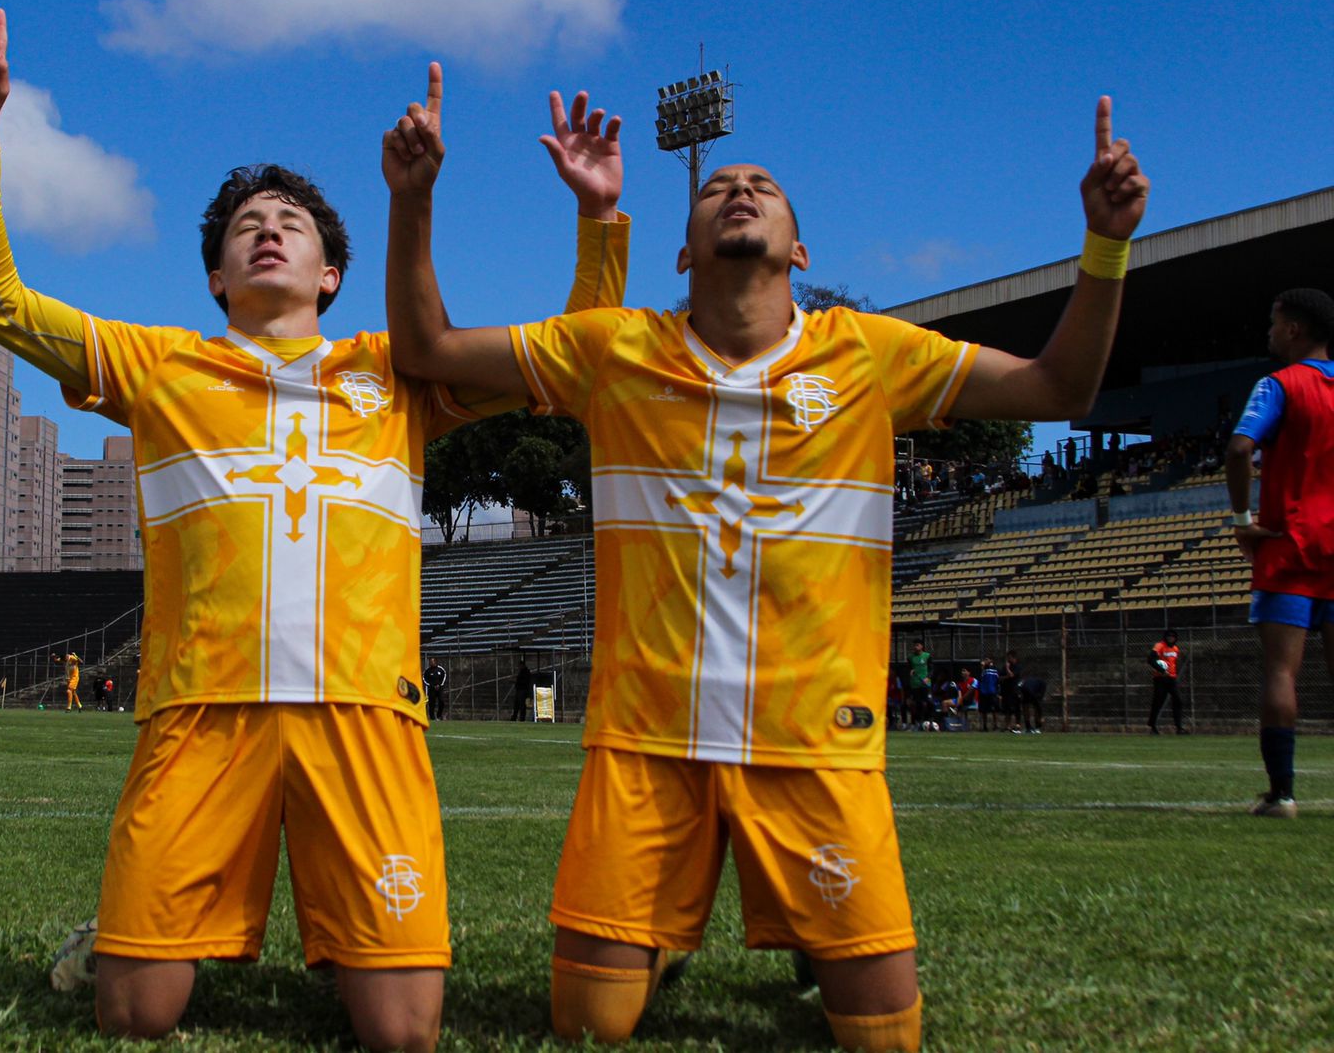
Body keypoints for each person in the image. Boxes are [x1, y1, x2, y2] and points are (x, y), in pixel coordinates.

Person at [385, 82, 1146, 1051]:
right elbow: (425, 348)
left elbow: (1059, 387)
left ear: (800, 250)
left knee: (884, 1039)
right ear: (679, 251)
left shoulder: (869, 355)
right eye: (717, 189)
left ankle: (801, 929)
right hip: (646, 748)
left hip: (815, 747)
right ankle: (673, 930)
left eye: (764, 186)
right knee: (587, 1026)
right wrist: (414, 200)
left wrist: (1106, 244)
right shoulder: (614, 350)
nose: (738, 189)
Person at [0, 12, 629, 1048]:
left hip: (364, 713)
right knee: (134, 1014)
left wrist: (599, 222)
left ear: (330, 276)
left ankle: (345, 942)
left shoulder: (398, 369)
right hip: (200, 711)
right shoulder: (157, 365)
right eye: (245, 225)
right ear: (217, 276)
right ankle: (134, 937)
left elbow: (577, 359)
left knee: (402, 1034)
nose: (268, 228)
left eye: (292, 223)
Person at [1226, 288, 1334, 819]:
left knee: (1282, 672)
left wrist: (1244, 522)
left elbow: (1240, 447)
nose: (1268, 333)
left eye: (1273, 323)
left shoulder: (1277, 385)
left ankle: (1283, 794)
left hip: (1290, 543)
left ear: (1293, 329)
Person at [1146, 629, 1184, 735]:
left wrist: (1173, 674)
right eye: (1168, 636)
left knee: (1178, 700)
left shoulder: (1176, 649)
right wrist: (1162, 670)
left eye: (1173, 637)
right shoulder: (1159, 646)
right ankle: (1152, 726)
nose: (1170, 638)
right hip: (1160, 679)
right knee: (1158, 702)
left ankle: (1179, 727)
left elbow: (1174, 663)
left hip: (1171, 679)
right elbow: (1150, 659)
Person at [906, 641, 932, 724]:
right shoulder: (910, 657)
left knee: (928, 702)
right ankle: (918, 721)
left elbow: (932, 669)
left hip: (925, 683)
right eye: (914, 645)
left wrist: (928, 677)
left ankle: (929, 720)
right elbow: (909, 668)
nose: (915, 647)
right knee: (917, 703)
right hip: (915, 683)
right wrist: (910, 671)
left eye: (917, 645)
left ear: (922, 646)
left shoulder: (927, 656)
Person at [1001, 650, 1024, 734]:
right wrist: (1007, 675)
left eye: (1010, 658)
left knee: (1016, 708)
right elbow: (1001, 677)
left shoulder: (1017, 666)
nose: (1008, 660)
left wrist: (1007, 669)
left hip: (1015, 690)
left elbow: (1011, 675)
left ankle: (1017, 725)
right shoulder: (1005, 667)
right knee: (1007, 709)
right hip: (1006, 690)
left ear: (1014, 658)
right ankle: (1008, 726)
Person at [976, 657, 1000, 732]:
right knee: (983, 710)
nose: (985, 661)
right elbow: (980, 679)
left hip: (992, 692)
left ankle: (995, 725)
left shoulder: (993, 670)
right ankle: (984, 726)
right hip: (984, 692)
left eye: (987, 660)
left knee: (994, 709)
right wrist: (982, 668)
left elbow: (996, 680)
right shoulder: (983, 670)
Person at [423, 657, 448, 721]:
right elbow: (424, 679)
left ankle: (439, 715)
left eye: (432, 661)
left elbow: (444, 676)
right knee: (431, 703)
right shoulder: (427, 671)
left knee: (441, 701)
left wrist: (440, 685)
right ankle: (432, 717)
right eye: (430, 662)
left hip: (439, 689)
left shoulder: (440, 669)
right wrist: (431, 685)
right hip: (431, 689)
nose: (431, 663)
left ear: (435, 662)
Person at [512, 658, 533, 722]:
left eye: (520, 666)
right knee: (517, 705)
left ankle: (522, 718)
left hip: (522, 690)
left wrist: (516, 681)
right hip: (519, 690)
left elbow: (524, 681)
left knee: (521, 705)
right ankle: (514, 717)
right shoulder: (522, 672)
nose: (519, 667)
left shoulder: (525, 672)